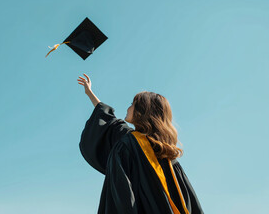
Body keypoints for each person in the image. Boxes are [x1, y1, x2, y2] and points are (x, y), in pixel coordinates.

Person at [77, 73, 204, 214]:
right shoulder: (167, 154)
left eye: (132, 104)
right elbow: (109, 119)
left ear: (141, 111)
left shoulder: (128, 144)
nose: (128, 107)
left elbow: (121, 195)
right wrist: (90, 93)